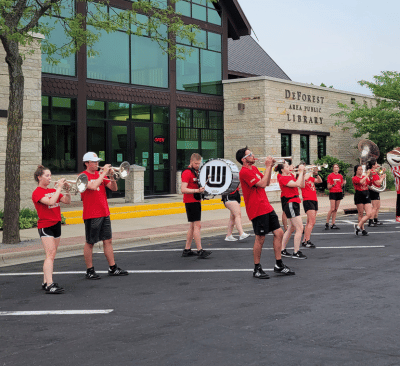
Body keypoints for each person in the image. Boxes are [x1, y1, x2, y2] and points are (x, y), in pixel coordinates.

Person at [236, 147, 295, 279]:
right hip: (256, 209)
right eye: (250, 154)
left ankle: (279, 264)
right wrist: (268, 166)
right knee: (260, 238)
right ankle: (257, 268)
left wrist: (270, 167)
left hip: (266, 206)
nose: (253, 155)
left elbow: (266, 182)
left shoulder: (255, 169)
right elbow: (261, 184)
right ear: (243, 160)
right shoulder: (244, 172)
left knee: (279, 232)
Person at [81, 152, 128, 279]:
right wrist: (103, 173)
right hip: (91, 214)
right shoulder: (82, 176)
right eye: (94, 162)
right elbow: (93, 185)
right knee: (90, 242)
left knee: (108, 240)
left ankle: (112, 268)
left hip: (104, 212)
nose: (97, 164)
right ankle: (89, 270)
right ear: (86, 163)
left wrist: (112, 175)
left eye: (97, 161)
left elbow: (114, 188)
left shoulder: (99, 174)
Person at [32, 165, 71, 294]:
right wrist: (58, 187)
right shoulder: (37, 192)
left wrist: (67, 191)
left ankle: (45, 282)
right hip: (45, 225)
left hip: (56, 224)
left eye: (50, 175)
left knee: (52, 255)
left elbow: (66, 201)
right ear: (39, 177)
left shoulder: (52, 190)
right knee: (50, 254)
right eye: (47, 176)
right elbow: (50, 202)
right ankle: (50, 284)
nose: (50, 178)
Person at [181, 153, 212, 258]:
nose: (197, 165)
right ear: (191, 161)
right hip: (190, 201)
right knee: (197, 226)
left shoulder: (197, 172)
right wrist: (197, 190)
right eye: (195, 163)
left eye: (199, 163)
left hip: (195, 200)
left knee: (192, 226)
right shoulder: (187, 173)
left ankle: (187, 249)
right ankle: (200, 250)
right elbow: (183, 189)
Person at [276, 162, 306, 259]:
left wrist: (303, 174)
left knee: (291, 228)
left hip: (294, 202)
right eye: (287, 166)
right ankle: (296, 252)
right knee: (300, 228)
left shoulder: (290, 176)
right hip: (290, 203)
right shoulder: (282, 178)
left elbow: (301, 185)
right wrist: (301, 172)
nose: (289, 167)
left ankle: (282, 249)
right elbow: (296, 183)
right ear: (282, 169)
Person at [301, 167, 322, 248]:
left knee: (309, 222)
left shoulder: (310, 177)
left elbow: (320, 181)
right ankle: (307, 241)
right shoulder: (302, 177)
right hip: (307, 200)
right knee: (312, 222)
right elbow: (305, 178)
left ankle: (304, 240)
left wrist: (316, 174)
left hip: (314, 199)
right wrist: (310, 171)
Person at [352, 164, 373, 236]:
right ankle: (363, 229)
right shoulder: (354, 178)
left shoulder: (364, 177)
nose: (361, 171)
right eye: (359, 169)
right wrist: (367, 175)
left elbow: (370, 183)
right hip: (359, 194)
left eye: (361, 169)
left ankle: (358, 226)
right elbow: (360, 182)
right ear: (356, 171)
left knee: (369, 213)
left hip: (366, 193)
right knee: (361, 213)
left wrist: (370, 176)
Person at [325, 163, 346, 230]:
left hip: (339, 192)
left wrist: (343, 183)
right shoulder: (330, 176)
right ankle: (327, 222)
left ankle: (333, 223)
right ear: (333, 169)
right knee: (332, 208)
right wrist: (333, 184)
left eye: (337, 167)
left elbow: (341, 185)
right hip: (333, 192)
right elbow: (328, 187)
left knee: (336, 209)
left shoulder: (340, 176)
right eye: (335, 167)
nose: (336, 169)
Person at [366, 158, 386, 226]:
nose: (377, 165)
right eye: (376, 163)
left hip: (376, 190)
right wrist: (382, 178)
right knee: (374, 207)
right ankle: (370, 221)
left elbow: (378, 173)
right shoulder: (372, 172)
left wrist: (382, 171)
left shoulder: (374, 171)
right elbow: (377, 182)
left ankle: (375, 219)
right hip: (373, 191)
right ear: (373, 165)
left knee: (378, 206)